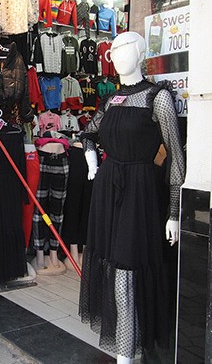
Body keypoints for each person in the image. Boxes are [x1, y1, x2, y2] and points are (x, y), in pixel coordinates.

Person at [78, 32, 185, 363]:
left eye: (126, 47)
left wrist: (175, 212)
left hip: (140, 194)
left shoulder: (158, 98)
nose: (118, 52)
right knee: (112, 268)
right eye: (114, 48)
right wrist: (92, 163)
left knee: (126, 272)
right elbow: (88, 134)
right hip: (108, 192)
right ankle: (126, 347)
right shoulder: (111, 100)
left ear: (140, 53)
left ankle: (126, 353)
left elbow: (176, 157)